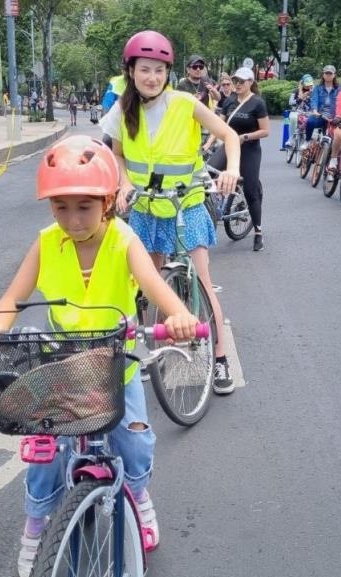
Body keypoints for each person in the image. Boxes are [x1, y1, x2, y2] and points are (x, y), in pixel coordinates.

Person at [0, 136, 201, 577]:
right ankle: (37, 522)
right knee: (45, 448)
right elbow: (11, 299)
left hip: (115, 358)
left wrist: (178, 315)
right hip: (61, 362)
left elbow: (156, 287)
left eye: (84, 206)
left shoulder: (124, 240)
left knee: (134, 437)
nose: (72, 218)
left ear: (109, 200)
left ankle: (138, 494)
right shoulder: (45, 243)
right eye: (61, 207)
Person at [100, 30, 242, 394]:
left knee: (203, 283)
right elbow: (116, 154)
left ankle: (220, 358)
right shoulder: (122, 109)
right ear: (131, 71)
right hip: (147, 209)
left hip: (187, 204)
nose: (152, 77)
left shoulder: (184, 102)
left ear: (168, 72)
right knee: (153, 284)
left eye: (159, 70)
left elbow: (229, 136)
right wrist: (125, 183)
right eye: (145, 69)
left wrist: (231, 170)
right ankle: (158, 350)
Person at [205, 67, 270, 252]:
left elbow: (265, 131)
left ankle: (258, 231)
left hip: (249, 149)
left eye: (242, 81)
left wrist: (245, 137)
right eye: (236, 81)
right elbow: (220, 126)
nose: (238, 84)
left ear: (251, 82)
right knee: (206, 175)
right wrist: (208, 144)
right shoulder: (230, 101)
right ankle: (215, 207)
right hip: (228, 147)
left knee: (250, 189)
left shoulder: (257, 103)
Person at [304, 65, 341, 146]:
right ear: (323, 75)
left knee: (331, 140)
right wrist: (314, 111)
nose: (328, 75)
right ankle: (307, 141)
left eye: (330, 74)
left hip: (334, 118)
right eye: (326, 73)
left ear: (334, 75)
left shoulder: (340, 89)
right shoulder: (317, 88)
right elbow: (314, 100)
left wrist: (339, 116)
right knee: (310, 122)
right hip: (320, 115)